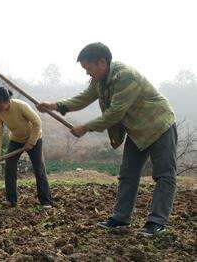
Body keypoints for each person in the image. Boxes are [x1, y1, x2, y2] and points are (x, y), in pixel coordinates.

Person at [37, 42, 177, 236]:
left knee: (164, 175)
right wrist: (53, 106)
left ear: (102, 62)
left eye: (88, 68)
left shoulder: (125, 76)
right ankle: (120, 218)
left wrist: (85, 128)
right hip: (137, 131)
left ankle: (156, 223)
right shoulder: (100, 80)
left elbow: (114, 114)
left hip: (158, 125)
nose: (87, 73)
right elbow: (84, 98)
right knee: (128, 174)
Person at [0, 87, 53, 208]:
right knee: (9, 166)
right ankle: (11, 199)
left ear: (6, 100)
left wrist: (31, 142)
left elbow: (37, 122)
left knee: (38, 167)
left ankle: (46, 201)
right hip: (16, 140)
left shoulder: (20, 106)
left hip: (34, 138)